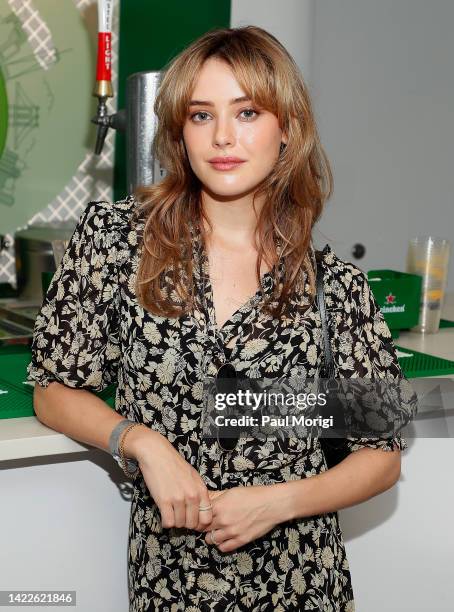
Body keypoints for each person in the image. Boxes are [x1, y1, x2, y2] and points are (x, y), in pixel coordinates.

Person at [28, 26, 417, 612]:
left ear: (286, 129)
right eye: (202, 115)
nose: (224, 137)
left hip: (302, 580)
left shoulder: (335, 284)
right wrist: (142, 443)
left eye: (248, 112)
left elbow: (381, 455)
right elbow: (53, 390)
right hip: (172, 580)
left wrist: (277, 501)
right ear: (181, 134)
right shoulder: (116, 242)